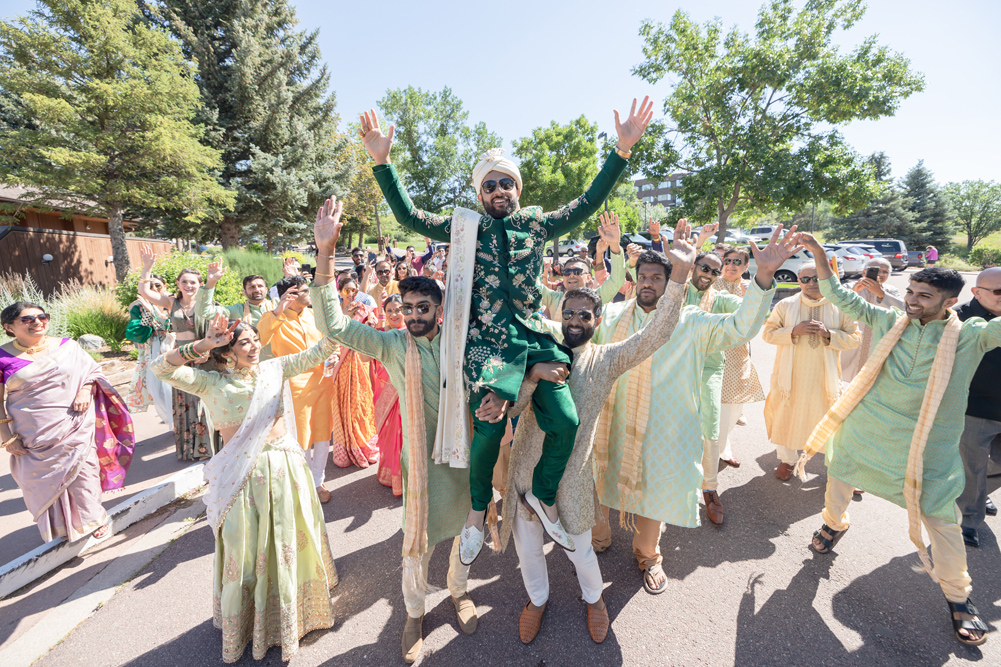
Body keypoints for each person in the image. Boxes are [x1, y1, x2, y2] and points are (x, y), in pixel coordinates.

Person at [358, 97, 654, 565]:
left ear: (517, 188)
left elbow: (589, 202)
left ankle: (543, 493)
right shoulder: (463, 226)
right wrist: (383, 164)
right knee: (489, 429)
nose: (499, 190)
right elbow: (410, 219)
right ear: (480, 194)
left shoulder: (536, 223)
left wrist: (620, 151)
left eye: (506, 183)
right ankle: (478, 514)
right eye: (490, 185)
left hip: (535, 338)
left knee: (566, 421)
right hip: (488, 346)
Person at [795, 233, 999, 647]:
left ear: (948, 302)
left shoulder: (970, 335)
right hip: (866, 430)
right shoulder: (891, 320)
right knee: (840, 478)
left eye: (924, 296)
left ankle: (959, 599)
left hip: (928, 449)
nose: (912, 300)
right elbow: (840, 295)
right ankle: (833, 526)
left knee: (942, 522)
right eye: (910, 291)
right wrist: (819, 256)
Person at [498, 217, 694, 645]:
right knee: (528, 549)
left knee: (580, 549)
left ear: (597, 317)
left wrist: (678, 277)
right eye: (567, 313)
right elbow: (513, 399)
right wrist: (534, 373)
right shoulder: (541, 347)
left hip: (572, 476)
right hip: (524, 472)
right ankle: (536, 600)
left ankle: (594, 601)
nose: (573, 320)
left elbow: (657, 333)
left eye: (583, 314)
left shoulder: (605, 359)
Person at [309, 198, 476, 664]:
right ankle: (415, 613)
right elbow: (333, 324)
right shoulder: (390, 346)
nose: (416, 314)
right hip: (420, 464)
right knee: (416, 543)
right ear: (400, 310)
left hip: (463, 458)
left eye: (425, 306)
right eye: (409, 307)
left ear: (441, 308)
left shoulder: (461, 342)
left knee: (467, 532)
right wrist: (325, 253)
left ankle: (458, 592)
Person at [590, 227, 795, 594]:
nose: (648, 283)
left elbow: (741, 327)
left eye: (658, 277)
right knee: (598, 483)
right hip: (613, 421)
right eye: (643, 277)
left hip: (664, 432)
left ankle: (648, 555)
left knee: (653, 494)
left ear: (673, 285)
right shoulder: (612, 316)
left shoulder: (691, 322)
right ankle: (598, 540)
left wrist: (764, 277)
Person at [152, 312, 338, 662]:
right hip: (242, 477)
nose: (254, 347)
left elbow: (316, 353)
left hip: (283, 467)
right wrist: (204, 345)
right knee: (245, 544)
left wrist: (339, 326)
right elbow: (161, 369)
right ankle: (252, 619)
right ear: (226, 351)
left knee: (288, 536)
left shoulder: (273, 369)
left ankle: (298, 609)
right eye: (244, 343)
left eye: (255, 340)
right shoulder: (210, 382)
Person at [1, 302, 134, 543]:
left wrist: (84, 390)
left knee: (84, 470)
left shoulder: (67, 347)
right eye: (27, 319)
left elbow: (93, 371)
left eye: (42, 316)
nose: (37, 322)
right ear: (8, 327)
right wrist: (7, 438)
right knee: (38, 479)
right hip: (32, 435)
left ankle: (93, 517)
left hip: (74, 424)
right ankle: (60, 527)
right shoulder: (2, 357)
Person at [763, 262, 861, 481]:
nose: (811, 283)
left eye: (817, 278)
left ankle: (834, 465)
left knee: (828, 418)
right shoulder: (786, 305)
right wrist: (793, 331)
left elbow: (855, 338)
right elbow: (768, 334)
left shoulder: (840, 305)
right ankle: (787, 460)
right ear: (799, 281)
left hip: (824, 379)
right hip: (790, 377)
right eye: (806, 279)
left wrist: (829, 335)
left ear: (828, 279)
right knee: (787, 414)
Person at [256, 275, 338, 503]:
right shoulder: (274, 318)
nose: (309, 293)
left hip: (322, 381)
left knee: (322, 434)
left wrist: (333, 357)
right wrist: (277, 311)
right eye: (304, 290)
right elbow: (260, 338)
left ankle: (318, 482)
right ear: (290, 295)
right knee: (299, 436)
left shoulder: (314, 316)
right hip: (294, 385)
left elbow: (329, 343)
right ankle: (301, 483)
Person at [137, 244, 219, 460]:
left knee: (204, 401)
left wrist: (210, 352)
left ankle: (210, 447)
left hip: (205, 356)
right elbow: (144, 292)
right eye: (185, 282)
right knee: (185, 400)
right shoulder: (171, 302)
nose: (189, 285)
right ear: (178, 284)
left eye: (193, 282)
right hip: (180, 358)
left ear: (200, 285)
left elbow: (217, 330)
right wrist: (147, 267)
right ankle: (190, 448)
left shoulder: (208, 302)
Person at [683, 247, 741, 525]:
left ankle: (709, 487)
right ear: (694, 266)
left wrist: (763, 282)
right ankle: (673, 482)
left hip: (708, 365)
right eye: (704, 268)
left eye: (714, 272)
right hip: (674, 363)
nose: (708, 275)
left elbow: (744, 308)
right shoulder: (675, 291)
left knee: (710, 424)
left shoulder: (718, 298)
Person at [955, 267, 1001, 547]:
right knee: (972, 467)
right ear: (977, 292)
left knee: (995, 465)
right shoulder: (958, 318)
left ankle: (980, 494)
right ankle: (967, 520)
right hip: (975, 409)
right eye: (999, 291)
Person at [713, 246, 765, 468]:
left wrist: (749, 297)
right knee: (713, 408)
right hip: (712, 354)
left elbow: (759, 321)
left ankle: (722, 448)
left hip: (738, 356)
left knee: (732, 408)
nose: (731, 265)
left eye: (737, 262)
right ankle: (709, 452)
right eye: (728, 261)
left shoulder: (752, 289)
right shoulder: (711, 285)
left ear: (745, 267)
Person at [328, 274, 380, 469]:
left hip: (360, 362)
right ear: (339, 292)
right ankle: (345, 448)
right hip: (340, 365)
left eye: (354, 290)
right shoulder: (333, 313)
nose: (351, 294)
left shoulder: (364, 309)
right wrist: (346, 317)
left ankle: (363, 446)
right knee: (342, 404)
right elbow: (329, 336)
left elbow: (373, 333)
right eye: (347, 290)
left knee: (361, 403)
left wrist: (371, 322)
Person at [538, 211, 627, 323]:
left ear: (589, 277)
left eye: (577, 271)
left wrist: (614, 244)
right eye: (566, 272)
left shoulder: (596, 298)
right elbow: (532, 284)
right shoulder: (553, 299)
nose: (571, 275)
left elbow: (616, 281)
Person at [840, 257, 904, 381]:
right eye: (876, 270)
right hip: (851, 341)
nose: (880, 274)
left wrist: (881, 293)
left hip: (878, 341)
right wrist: (854, 291)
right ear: (864, 272)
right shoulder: (849, 286)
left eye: (885, 272)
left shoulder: (891, 291)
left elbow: (901, 311)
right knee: (845, 379)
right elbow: (837, 308)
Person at [125, 274, 174, 424]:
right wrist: (147, 313)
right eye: (150, 286)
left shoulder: (172, 302)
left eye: (158, 285)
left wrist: (155, 313)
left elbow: (172, 326)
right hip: (153, 349)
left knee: (173, 386)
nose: (154, 288)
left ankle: (180, 418)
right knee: (156, 389)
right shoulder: (139, 307)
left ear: (164, 287)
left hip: (174, 346)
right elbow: (137, 333)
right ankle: (172, 419)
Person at [372, 294, 407, 496]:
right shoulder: (378, 335)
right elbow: (364, 357)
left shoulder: (412, 334)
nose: (394, 314)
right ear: (384, 313)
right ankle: (388, 474)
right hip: (383, 393)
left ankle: (404, 478)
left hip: (403, 395)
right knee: (387, 436)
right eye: (390, 310)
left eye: (398, 309)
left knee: (403, 437)